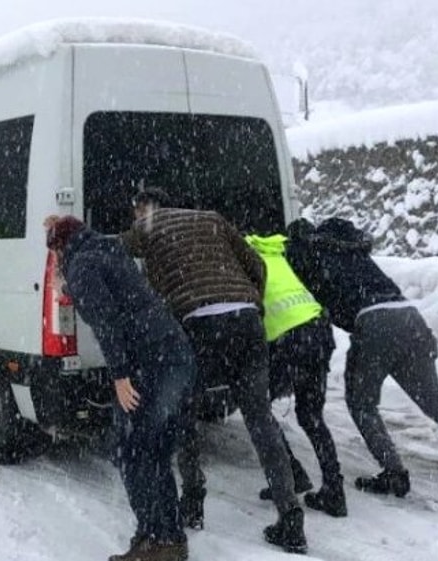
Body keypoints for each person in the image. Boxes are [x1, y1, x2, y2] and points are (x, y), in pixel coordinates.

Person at [286, 217, 438, 510]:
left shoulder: (311, 254)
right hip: (409, 316)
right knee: (436, 402)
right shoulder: (353, 251)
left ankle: (394, 473)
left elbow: (313, 293)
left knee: (362, 404)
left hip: (374, 322)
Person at [122, 188, 307, 554]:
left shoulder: (147, 224)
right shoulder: (211, 217)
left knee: (184, 412)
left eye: (136, 211)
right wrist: (249, 300)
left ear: (144, 208)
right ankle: (289, 514)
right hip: (246, 321)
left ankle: (193, 500)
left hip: (198, 324)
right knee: (260, 418)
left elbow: (114, 248)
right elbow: (258, 264)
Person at [45, 214, 195, 561]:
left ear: (60, 247)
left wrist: (121, 376)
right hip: (174, 354)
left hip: (151, 362)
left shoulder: (81, 264)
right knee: (152, 449)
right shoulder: (107, 249)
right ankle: (161, 536)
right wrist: (67, 287)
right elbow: (110, 296)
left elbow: (107, 321)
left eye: (53, 252)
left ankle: (160, 540)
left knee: (133, 450)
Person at [246, 233, 346, 518]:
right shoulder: (276, 254)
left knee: (257, 407)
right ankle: (334, 490)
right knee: (311, 416)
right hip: (318, 330)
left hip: (288, 338)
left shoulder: (243, 259)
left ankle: (291, 474)